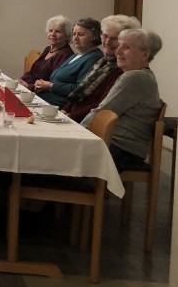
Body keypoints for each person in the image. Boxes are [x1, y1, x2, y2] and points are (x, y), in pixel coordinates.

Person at [83, 29, 162, 172]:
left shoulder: (134, 77)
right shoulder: (141, 75)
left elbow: (102, 111)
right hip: (121, 146)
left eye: (126, 47)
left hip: (121, 149)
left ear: (145, 54)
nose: (118, 51)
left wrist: (77, 132)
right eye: (119, 45)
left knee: (55, 159)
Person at [62, 14, 141, 123]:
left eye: (114, 38)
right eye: (105, 36)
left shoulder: (122, 69)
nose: (107, 42)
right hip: (74, 116)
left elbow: (101, 105)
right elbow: (79, 91)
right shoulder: (103, 62)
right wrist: (65, 110)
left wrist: (71, 116)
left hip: (86, 122)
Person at [35, 17, 104, 107]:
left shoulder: (94, 58)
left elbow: (80, 89)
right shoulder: (75, 55)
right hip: (46, 98)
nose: (75, 38)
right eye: (74, 34)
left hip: (59, 105)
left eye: (81, 34)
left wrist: (50, 86)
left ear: (94, 37)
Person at [18, 15, 74, 92]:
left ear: (67, 36)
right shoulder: (48, 49)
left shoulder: (66, 54)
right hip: (31, 89)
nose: (52, 34)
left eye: (58, 31)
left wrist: (28, 86)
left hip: (42, 93)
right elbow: (33, 72)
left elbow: (52, 83)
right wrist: (21, 80)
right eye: (50, 31)